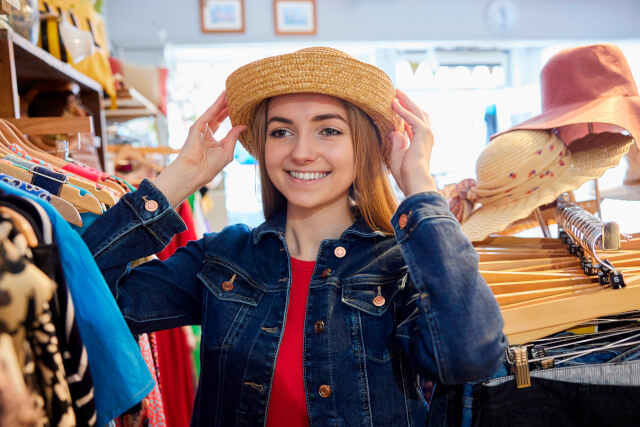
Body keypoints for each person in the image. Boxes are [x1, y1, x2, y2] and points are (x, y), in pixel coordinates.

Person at [82, 47, 506, 426]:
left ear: (365, 146)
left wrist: (418, 185)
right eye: (281, 131)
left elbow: (471, 355)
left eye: (329, 130)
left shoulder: (399, 266)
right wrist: (180, 178)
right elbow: (81, 293)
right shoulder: (223, 259)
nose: (301, 152)